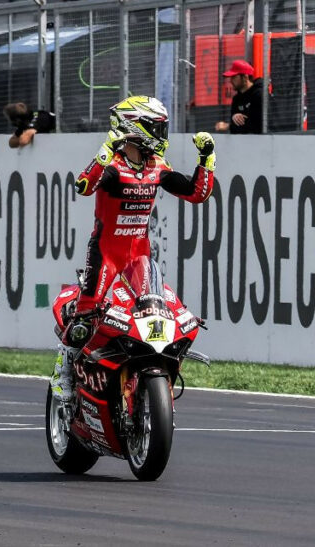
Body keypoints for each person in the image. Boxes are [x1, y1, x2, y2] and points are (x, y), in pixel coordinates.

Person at [50, 96, 216, 402]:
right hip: (105, 254)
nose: (162, 135)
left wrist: (206, 159)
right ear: (134, 128)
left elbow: (196, 193)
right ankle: (63, 372)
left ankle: (140, 374)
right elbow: (83, 186)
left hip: (139, 256)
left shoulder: (157, 166)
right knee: (85, 320)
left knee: (155, 314)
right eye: (157, 127)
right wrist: (106, 149)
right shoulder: (112, 166)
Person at [214, 59, 264, 134]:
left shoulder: (259, 94)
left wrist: (228, 126)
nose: (230, 81)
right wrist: (234, 120)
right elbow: (235, 130)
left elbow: (256, 125)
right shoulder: (236, 99)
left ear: (245, 77)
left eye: (234, 77)